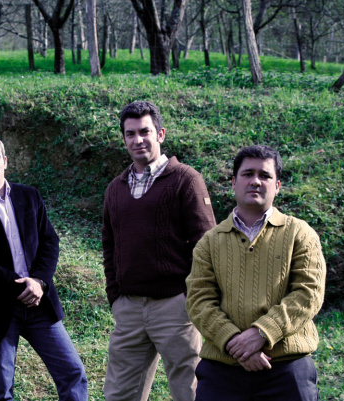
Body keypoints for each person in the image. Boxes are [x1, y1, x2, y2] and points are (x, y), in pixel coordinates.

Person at [186, 145, 326, 400]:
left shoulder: (300, 233)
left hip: (286, 367)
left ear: (278, 185)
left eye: (265, 175)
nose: (256, 181)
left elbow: (309, 293)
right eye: (248, 174)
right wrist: (235, 342)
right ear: (234, 182)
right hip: (223, 368)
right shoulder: (209, 241)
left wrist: (262, 333)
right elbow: (199, 300)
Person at [102, 101, 217, 401]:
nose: (138, 140)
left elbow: (207, 246)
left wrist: (191, 298)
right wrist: (115, 296)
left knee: (190, 391)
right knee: (119, 394)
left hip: (176, 307)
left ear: (161, 134)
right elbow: (109, 245)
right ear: (124, 139)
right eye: (130, 134)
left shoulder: (186, 180)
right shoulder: (116, 189)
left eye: (145, 131)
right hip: (129, 309)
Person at [0, 135, 87, 401]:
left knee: (73, 373)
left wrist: (39, 281)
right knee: (1, 389)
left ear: (5, 161)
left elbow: (50, 241)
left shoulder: (29, 196)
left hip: (39, 302)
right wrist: (19, 285)